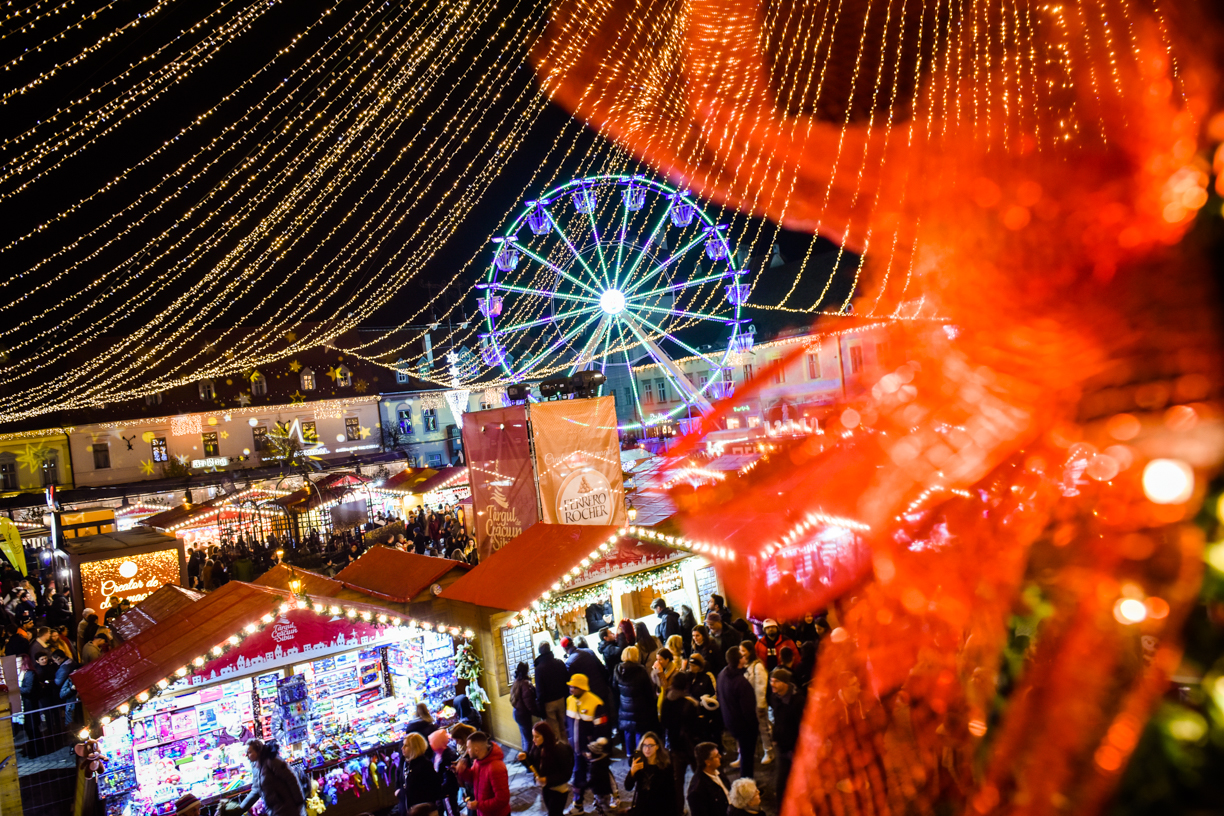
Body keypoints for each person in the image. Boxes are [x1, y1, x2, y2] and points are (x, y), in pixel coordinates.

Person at [565, 673, 611, 814]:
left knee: (599, 780)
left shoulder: (596, 703)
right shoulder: (569, 701)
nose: (571, 689)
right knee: (578, 778)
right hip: (578, 751)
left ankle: (602, 804)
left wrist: (592, 749)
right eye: (571, 686)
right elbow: (567, 724)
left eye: (574, 687)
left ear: (582, 688)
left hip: (594, 752)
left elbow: (602, 730)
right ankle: (578, 805)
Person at [224, 739, 306, 816]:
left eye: (249, 752)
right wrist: (240, 809)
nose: (247, 756)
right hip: (275, 810)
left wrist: (299, 801)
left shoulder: (272, 761)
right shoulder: (256, 767)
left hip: (288, 807)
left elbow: (291, 779)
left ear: (258, 751)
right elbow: (256, 790)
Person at [659, 670, 699, 816]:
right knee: (699, 779)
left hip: (674, 746)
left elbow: (663, 722)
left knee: (677, 784)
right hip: (690, 747)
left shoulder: (666, 700)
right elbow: (696, 727)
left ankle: (678, 811)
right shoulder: (690, 704)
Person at [717, 646, 758, 780]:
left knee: (744, 753)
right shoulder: (741, 683)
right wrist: (754, 727)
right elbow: (748, 711)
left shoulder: (722, 674)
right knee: (747, 758)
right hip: (743, 726)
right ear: (740, 660)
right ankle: (747, 787)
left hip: (730, 721)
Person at [518, 721, 572, 816]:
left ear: (546, 736)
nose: (534, 740)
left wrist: (547, 779)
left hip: (559, 789)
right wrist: (525, 758)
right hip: (546, 787)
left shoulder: (561, 749)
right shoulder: (538, 747)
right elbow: (533, 764)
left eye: (537, 736)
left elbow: (566, 775)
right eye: (533, 736)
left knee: (554, 813)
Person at [613, 645, 658, 757]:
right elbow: (648, 690)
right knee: (639, 733)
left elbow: (614, 688)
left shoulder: (617, 669)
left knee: (628, 732)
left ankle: (629, 755)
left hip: (624, 707)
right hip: (640, 708)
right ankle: (639, 756)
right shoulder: (640, 670)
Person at [769, 667, 806, 797]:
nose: (772, 684)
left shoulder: (797, 701)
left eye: (776, 681)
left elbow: (803, 726)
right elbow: (777, 719)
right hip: (782, 747)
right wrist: (775, 736)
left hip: (794, 749)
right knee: (781, 785)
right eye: (771, 681)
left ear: (785, 683)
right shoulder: (775, 697)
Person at [454, 732, 510, 816]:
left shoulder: (496, 768)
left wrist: (478, 805)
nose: (467, 751)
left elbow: (502, 800)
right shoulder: (478, 760)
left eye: (469, 748)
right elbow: (475, 778)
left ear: (476, 749)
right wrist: (463, 771)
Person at [623, 731, 676, 816]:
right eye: (644, 745)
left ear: (657, 747)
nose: (647, 749)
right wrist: (632, 772)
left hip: (660, 809)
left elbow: (671, 792)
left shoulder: (665, 766)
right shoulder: (639, 764)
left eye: (651, 746)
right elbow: (628, 786)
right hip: (642, 809)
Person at [741, 640, 773, 766]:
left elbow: (761, 687)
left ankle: (769, 751)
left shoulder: (757, 666)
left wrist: (761, 705)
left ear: (750, 652)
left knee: (763, 728)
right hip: (747, 704)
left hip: (757, 704)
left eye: (743, 651)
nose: (741, 653)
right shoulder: (744, 665)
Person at [535, 642, 570, 746]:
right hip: (561, 699)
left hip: (548, 703)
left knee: (554, 731)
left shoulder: (539, 668)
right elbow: (566, 680)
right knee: (563, 727)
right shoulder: (559, 663)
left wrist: (540, 709)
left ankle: (560, 752)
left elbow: (540, 691)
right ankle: (567, 749)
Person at [396, 732, 442, 813]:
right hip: (406, 809)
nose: (402, 748)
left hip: (421, 811)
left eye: (406, 745)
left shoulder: (425, 765)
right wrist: (398, 790)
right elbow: (399, 777)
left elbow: (435, 789)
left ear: (414, 747)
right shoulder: (403, 761)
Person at [560, 636, 611, 705]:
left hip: (590, 696)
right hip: (602, 689)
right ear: (573, 643)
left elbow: (575, 684)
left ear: (564, 649)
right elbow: (602, 668)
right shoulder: (589, 651)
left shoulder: (569, 663)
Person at [686, 742, 731, 816]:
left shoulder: (718, 771)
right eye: (716, 756)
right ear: (708, 762)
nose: (720, 756)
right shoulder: (697, 790)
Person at [686, 653, 721, 744]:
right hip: (693, 712)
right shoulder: (689, 676)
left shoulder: (708, 676)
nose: (691, 668)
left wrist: (705, 701)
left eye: (694, 666)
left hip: (706, 711)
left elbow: (715, 693)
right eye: (690, 665)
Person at [428, 729, 461, 816]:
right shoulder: (436, 754)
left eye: (432, 742)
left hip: (447, 791)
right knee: (441, 809)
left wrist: (440, 791)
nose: (430, 745)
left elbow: (449, 778)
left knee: (451, 810)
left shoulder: (449, 756)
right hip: (440, 790)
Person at [510, 662, 537, 750]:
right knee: (528, 739)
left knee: (524, 737)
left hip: (517, 712)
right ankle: (527, 759)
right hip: (523, 714)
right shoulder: (525, 683)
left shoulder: (516, 681)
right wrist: (537, 712)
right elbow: (528, 702)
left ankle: (524, 756)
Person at [651, 648, 677, 713]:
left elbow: (666, 687)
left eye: (660, 660)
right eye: (657, 659)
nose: (658, 662)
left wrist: (660, 672)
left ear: (667, 660)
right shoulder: (663, 668)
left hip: (669, 702)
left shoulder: (674, 671)